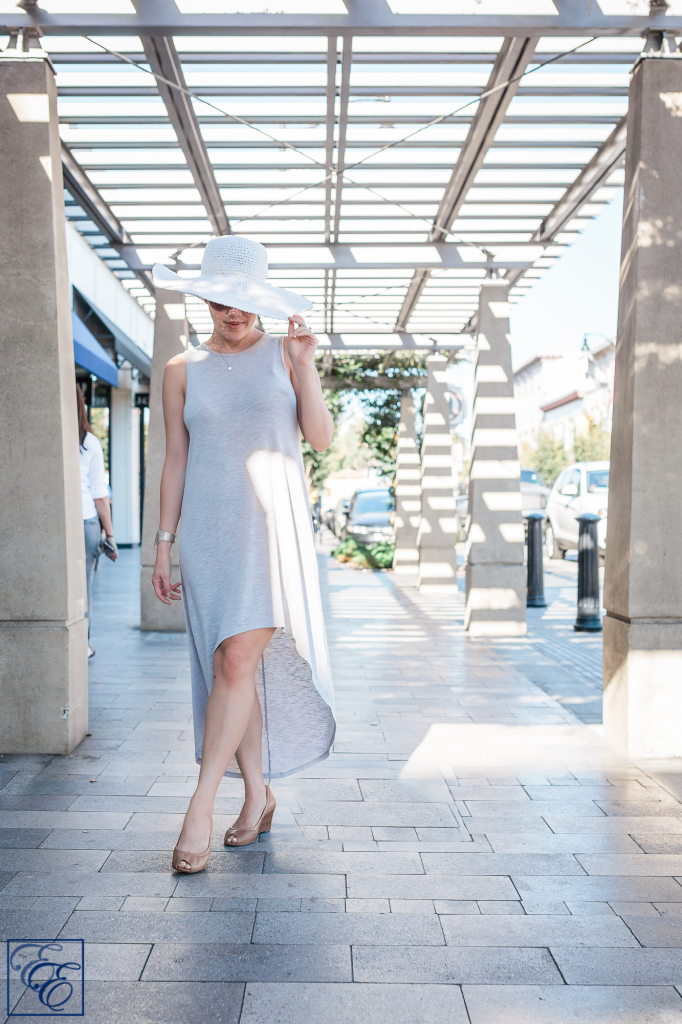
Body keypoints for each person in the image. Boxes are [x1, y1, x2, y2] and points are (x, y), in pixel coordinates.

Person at [151, 236, 336, 873]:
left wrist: (306, 364)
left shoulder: (287, 354)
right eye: (223, 299)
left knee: (236, 662)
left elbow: (320, 437)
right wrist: (164, 544)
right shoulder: (180, 370)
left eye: (245, 300)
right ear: (204, 295)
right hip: (206, 533)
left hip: (271, 531)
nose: (234, 312)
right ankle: (257, 796)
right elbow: (176, 459)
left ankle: (199, 806)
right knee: (235, 670)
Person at [76, 385, 117, 658]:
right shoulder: (88, 441)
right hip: (86, 521)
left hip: (53, 524)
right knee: (83, 588)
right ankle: (81, 646)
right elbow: (99, 494)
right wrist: (110, 536)